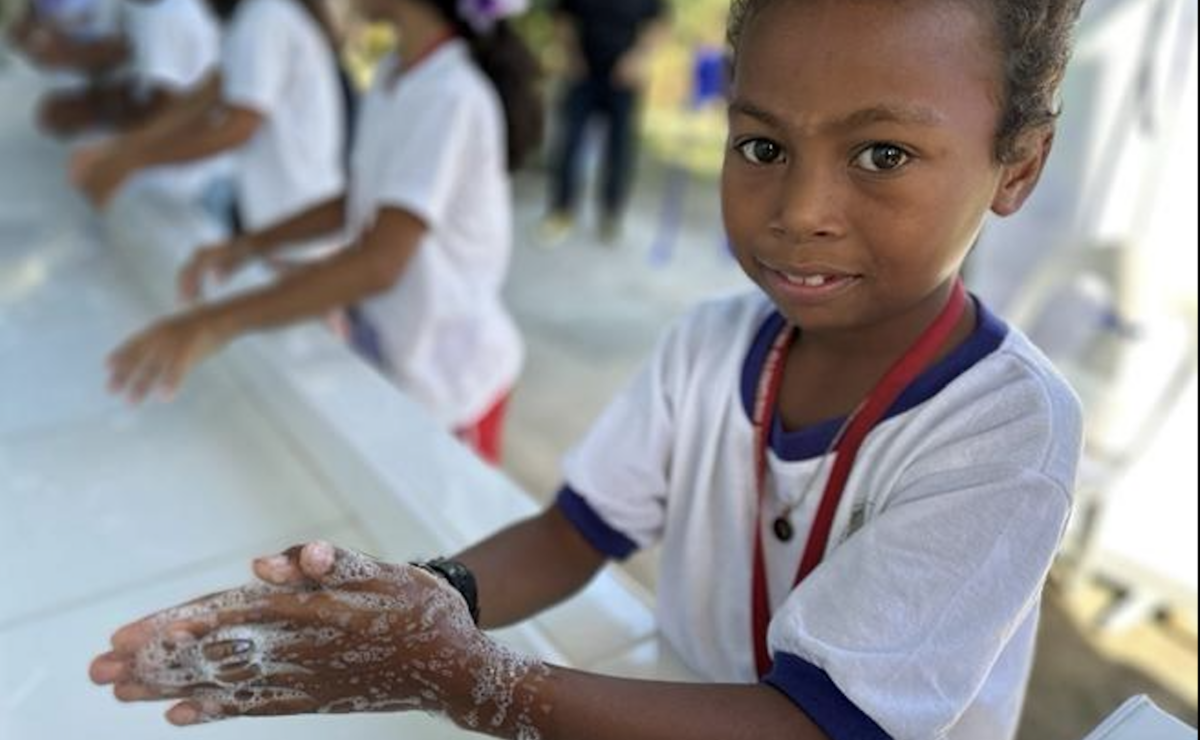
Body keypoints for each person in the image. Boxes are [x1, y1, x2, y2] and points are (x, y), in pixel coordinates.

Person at [90, 1, 1087, 739]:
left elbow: (821, 723)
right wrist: (420, 600)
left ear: (1018, 167)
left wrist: (473, 679)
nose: (800, 209)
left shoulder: (1006, 432)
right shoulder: (709, 344)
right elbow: (574, 531)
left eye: (881, 154)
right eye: (762, 144)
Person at [102, 0, 542, 465]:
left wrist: (211, 323)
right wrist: (246, 246)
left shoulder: (450, 95)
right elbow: (363, 200)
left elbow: (380, 263)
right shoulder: (396, 71)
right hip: (402, 356)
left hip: (452, 381)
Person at [69, 0, 347, 262]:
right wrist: (121, 149)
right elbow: (202, 99)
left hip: (299, 229)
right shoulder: (255, 18)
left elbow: (238, 128)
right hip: (280, 222)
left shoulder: (267, 18)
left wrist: (131, 160)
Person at [542, 0, 667, 245]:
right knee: (569, 144)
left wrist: (637, 59)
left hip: (624, 80)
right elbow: (561, 16)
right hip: (583, 75)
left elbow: (659, 24)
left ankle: (610, 215)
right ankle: (560, 212)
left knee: (620, 151)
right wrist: (572, 56)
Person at [31, 0, 221, 141]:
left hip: (189, 176)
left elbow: (165, 109)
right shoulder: (138, 11)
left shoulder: (165, 18)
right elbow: (121, 55)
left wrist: (94, 112)